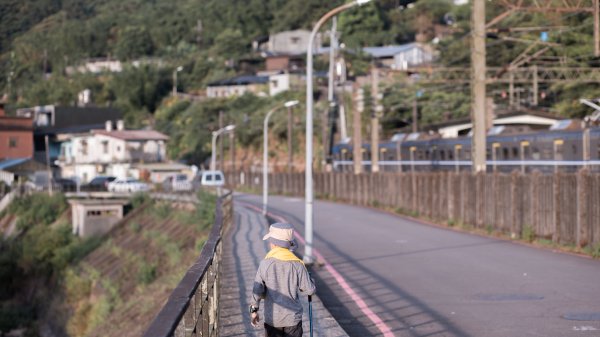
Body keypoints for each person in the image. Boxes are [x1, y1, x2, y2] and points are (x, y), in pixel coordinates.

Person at [250, 222, 316, 337]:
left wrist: (254, 311)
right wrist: (311, 281)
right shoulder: (298, 264)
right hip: (293, 320)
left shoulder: (265, 264)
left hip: (273, 320)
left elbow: (257, 289)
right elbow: (309, 290)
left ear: (274, 244)